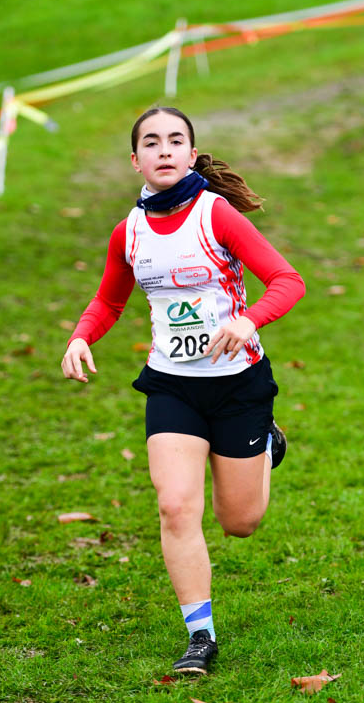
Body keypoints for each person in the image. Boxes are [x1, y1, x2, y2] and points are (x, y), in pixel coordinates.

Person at [62, 106, 305, 673]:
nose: (164, 150)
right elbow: (109, 300)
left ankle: (266, 441)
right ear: (136, 160)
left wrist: (248, 320)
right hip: (172, 384)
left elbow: (287, 280)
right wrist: (80, 336)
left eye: (175, 140)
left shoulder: (216, 215)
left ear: (191, 155)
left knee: (239, 522)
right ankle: (201, 636)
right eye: (152, 142)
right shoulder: (129, 231)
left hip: (238, 384)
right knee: (174, 506)